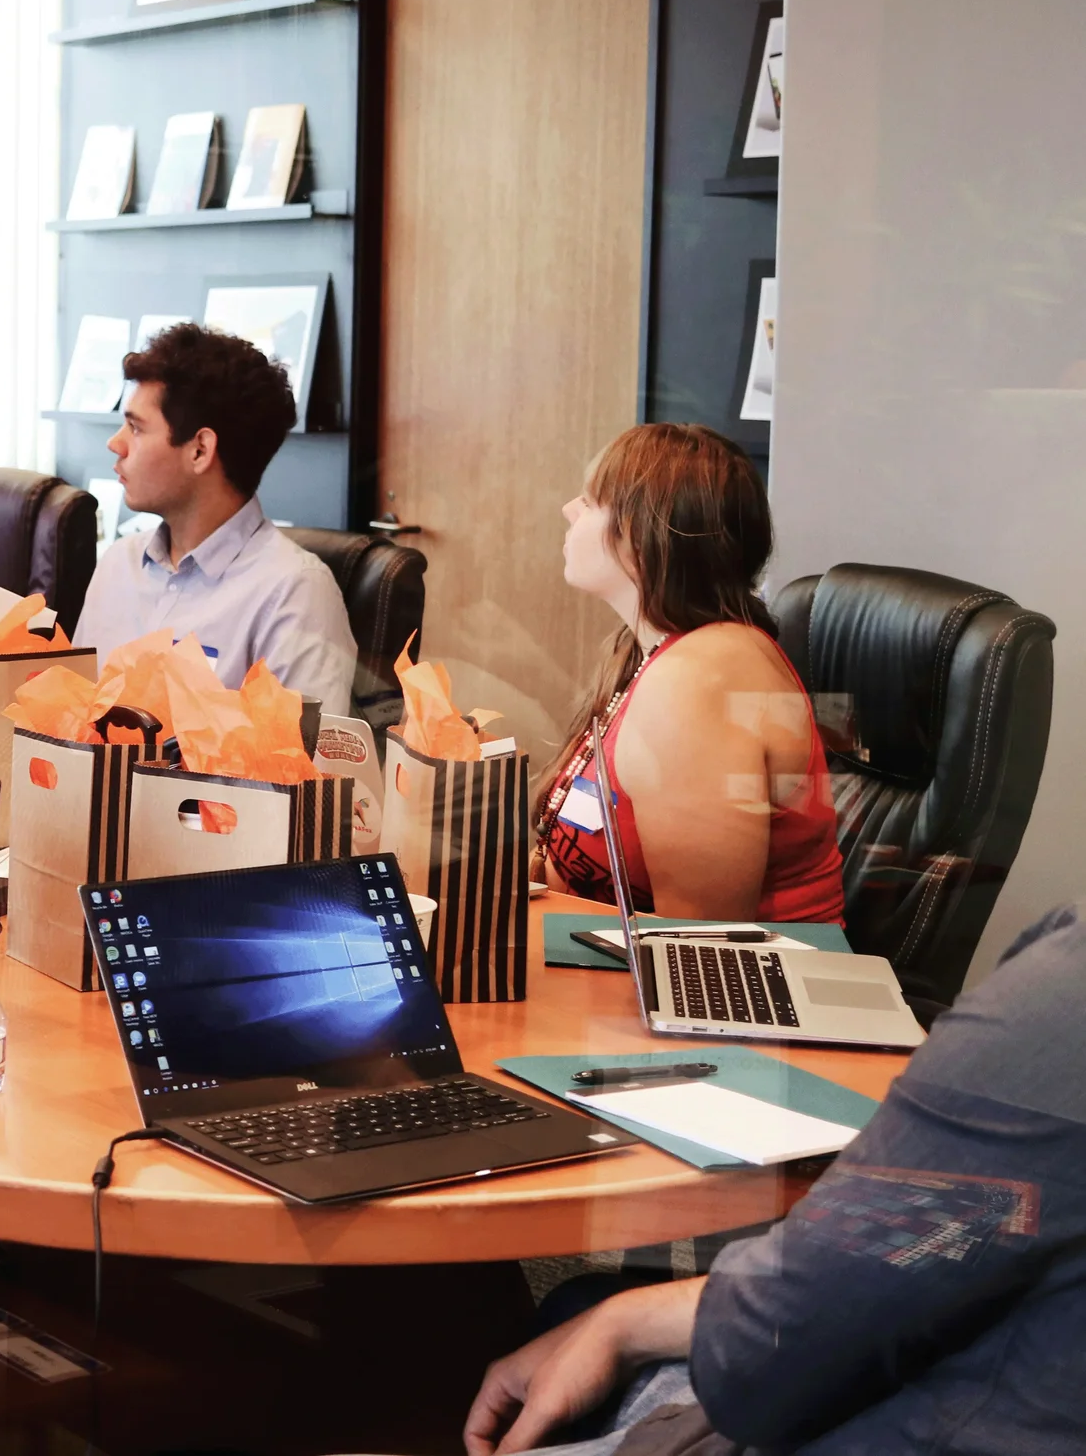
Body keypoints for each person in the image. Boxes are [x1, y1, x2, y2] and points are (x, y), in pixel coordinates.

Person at [464, 902, 1086, 1456]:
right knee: (579, 1306)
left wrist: (624, 1325)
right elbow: (934, 1251)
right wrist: (620, 1322)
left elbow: (761, 1374)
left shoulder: (1065, 997)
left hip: (871, 1421)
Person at [535, 423, 844, 923]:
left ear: (641, 535)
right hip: (617, 960)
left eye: (592, 502)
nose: (569, 509)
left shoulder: (700, 678)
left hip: (743, 989)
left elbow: (699, 945)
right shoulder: (651, 650)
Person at [72, 322, 357, 714]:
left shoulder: (293, 593)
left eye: (136, 428)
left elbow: (307, 769)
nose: (115, 443)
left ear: (200, 450)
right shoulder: (117, 565)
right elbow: (67, 727)